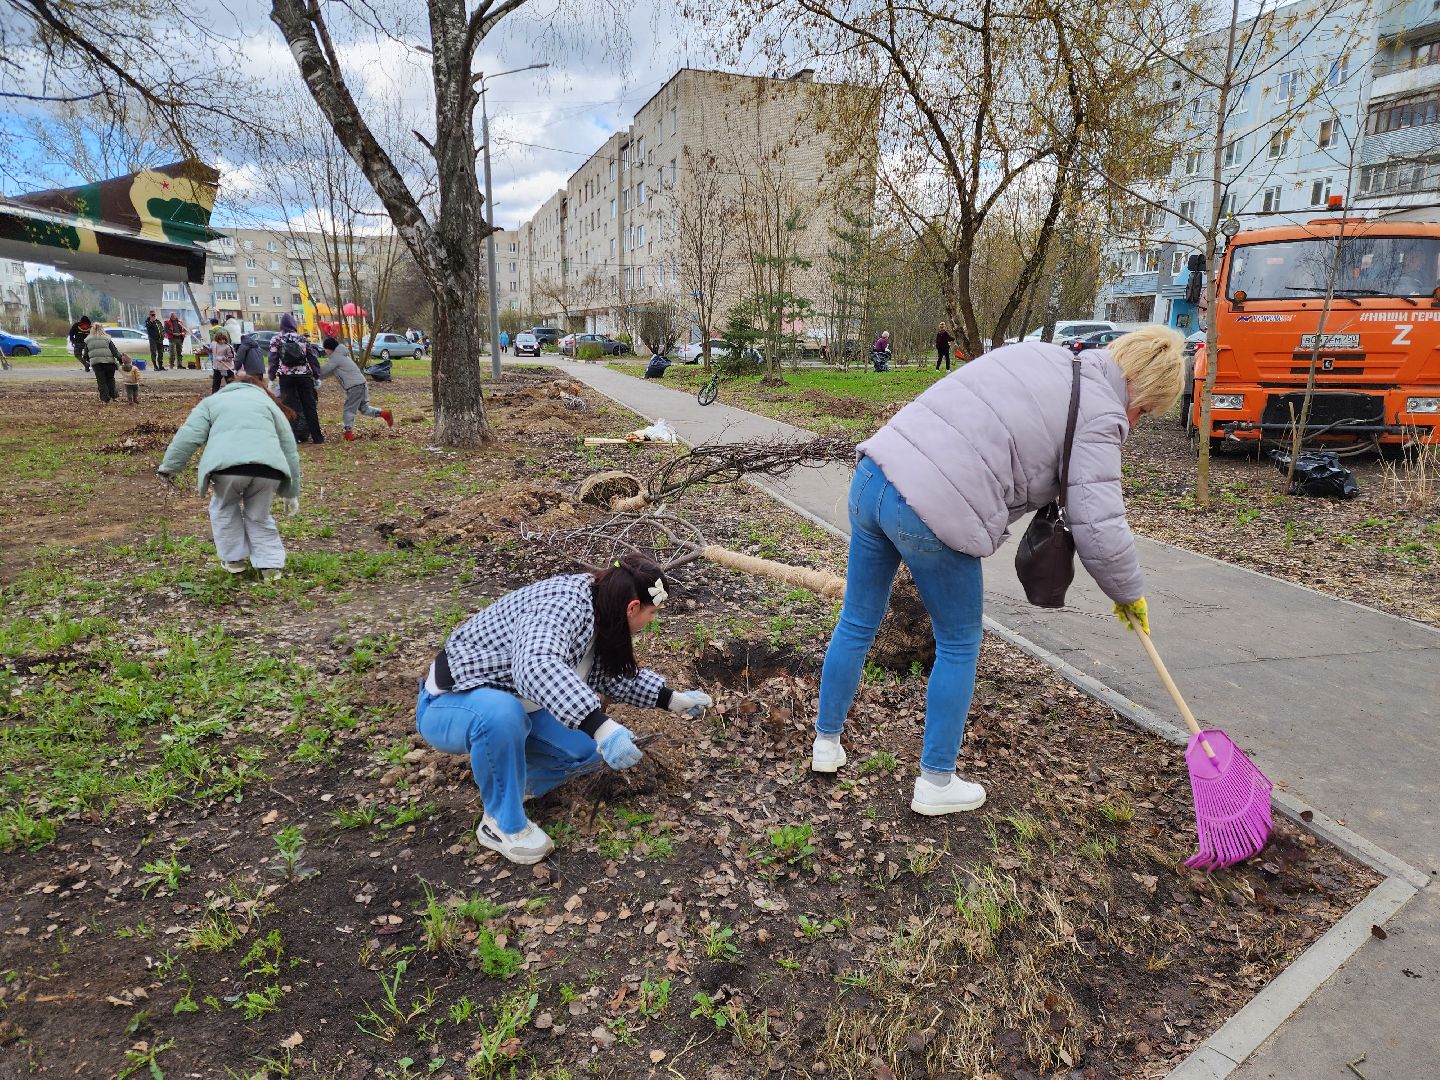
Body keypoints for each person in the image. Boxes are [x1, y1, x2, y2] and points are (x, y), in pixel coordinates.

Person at [810, 326, 1183, 817]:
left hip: (874, 473)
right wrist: (1129, 595)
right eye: (1145, 411)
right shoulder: (1103, 413)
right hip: (932, 507)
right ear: (1141, 391)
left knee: (858, 620)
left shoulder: (1047, 357)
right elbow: (1100, 526)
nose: (1135, 422)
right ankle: (936, 781)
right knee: (958, 642)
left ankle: (826, 742)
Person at [415, 554, 714, 865]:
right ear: (633, 607)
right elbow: (536, 666)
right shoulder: (562, 606)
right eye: (653, 612)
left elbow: (607, 674)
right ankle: (502, 823)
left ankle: (511, 783)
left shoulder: (603, 605)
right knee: (501, 715)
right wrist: (602, 726)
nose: (653, 619)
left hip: (519, 703)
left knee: (586, 751)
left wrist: (671, 699)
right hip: (450, 705)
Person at [156, 374, 303, 580]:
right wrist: (291, 491)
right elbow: (289, 448)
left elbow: (188, 435)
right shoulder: (268, 404)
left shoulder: (212, 402)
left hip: (227, 469)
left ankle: (234, 561)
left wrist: (169, 467)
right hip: (268, 469)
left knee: (224, 508)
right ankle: (270, 565)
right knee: (259, 515)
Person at [319, 336, 393, 440]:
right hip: (361, 384)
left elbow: (323, 371)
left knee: (349, 409)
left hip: (354, 387)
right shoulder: (341, 356)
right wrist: (316, 376)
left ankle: (348, 433)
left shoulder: (336, 358)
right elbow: (327, 373)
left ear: (329, 348)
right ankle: (384, 414)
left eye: (325, 349)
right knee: (364, 409)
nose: (325, 351)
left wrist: (311, 371)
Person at [267, 313, 324, 444]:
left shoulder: (276, 339)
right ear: (294, 325)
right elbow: (312, 357)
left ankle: (292, 438)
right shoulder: (302, 338)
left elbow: (273, 359)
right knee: (309, 406)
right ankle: (317, 437)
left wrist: (271, 377)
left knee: (289, 407)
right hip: (304, 376)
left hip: (286, 376)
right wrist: (316, 375)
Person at [81, 322, 123, 402]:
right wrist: (120, 359)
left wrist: (88, 361)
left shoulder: (88, 340)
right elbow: (114, 351)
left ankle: (105, 398)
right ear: (102, 329)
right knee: (110, 379)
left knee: (101, 381)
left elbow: (85, 354)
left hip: (96, 364)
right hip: (109, 363)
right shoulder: (107, 338)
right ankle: (113, 395)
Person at [210, 330, 237, 394]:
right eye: (220, 340)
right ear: (217, 340)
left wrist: (222, 358)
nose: (222, 341)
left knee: (230, 383)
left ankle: (233, 394)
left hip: (227, 368)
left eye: (223, 339)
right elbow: (211, 350)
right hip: (217, 368)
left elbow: (232, 357)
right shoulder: (214, 344)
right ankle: (214, 395)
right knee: (216, 383)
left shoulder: (228, 347)